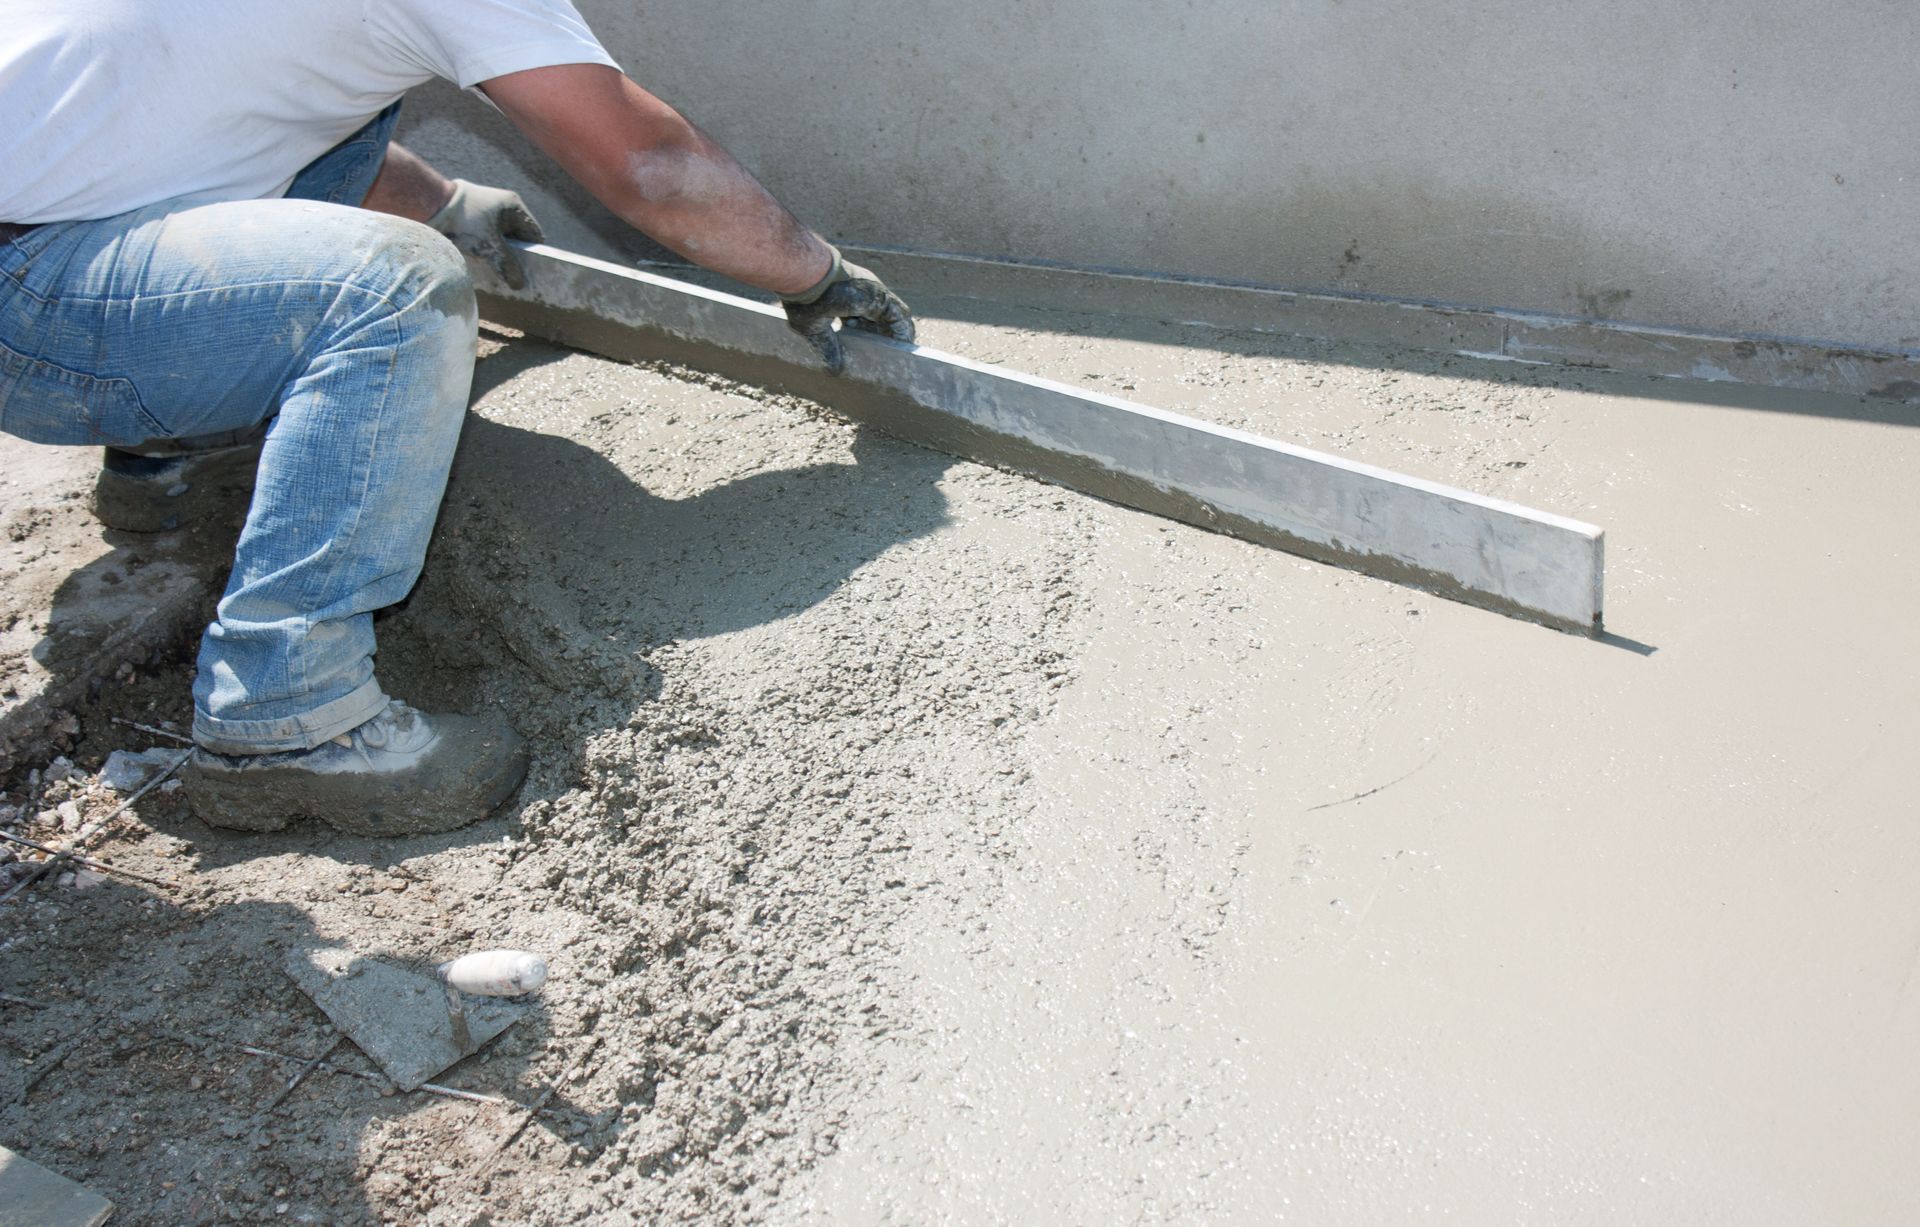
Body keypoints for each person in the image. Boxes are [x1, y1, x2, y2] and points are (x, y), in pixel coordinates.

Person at [0, 1, 913, 837]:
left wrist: (444, 203)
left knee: (345, 142)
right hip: (31, 302)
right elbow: (654, 167)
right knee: (394, 290)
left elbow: (253, 108)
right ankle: (285, 710)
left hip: (54, 238)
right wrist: (812, 273)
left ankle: (170, 446)